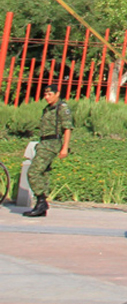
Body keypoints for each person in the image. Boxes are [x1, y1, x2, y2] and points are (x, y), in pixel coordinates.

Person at [20, 87, 72, 218]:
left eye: (50, 94)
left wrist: (65, 147)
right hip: (43, 143)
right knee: (43, 173)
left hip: (52, 143)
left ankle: (41, 201)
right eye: (45, 94)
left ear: (57, 94)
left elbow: (67, 128)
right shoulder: (48, 108)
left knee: (33, 172)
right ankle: (41, 205)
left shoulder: (61, 108)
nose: (47, 97)